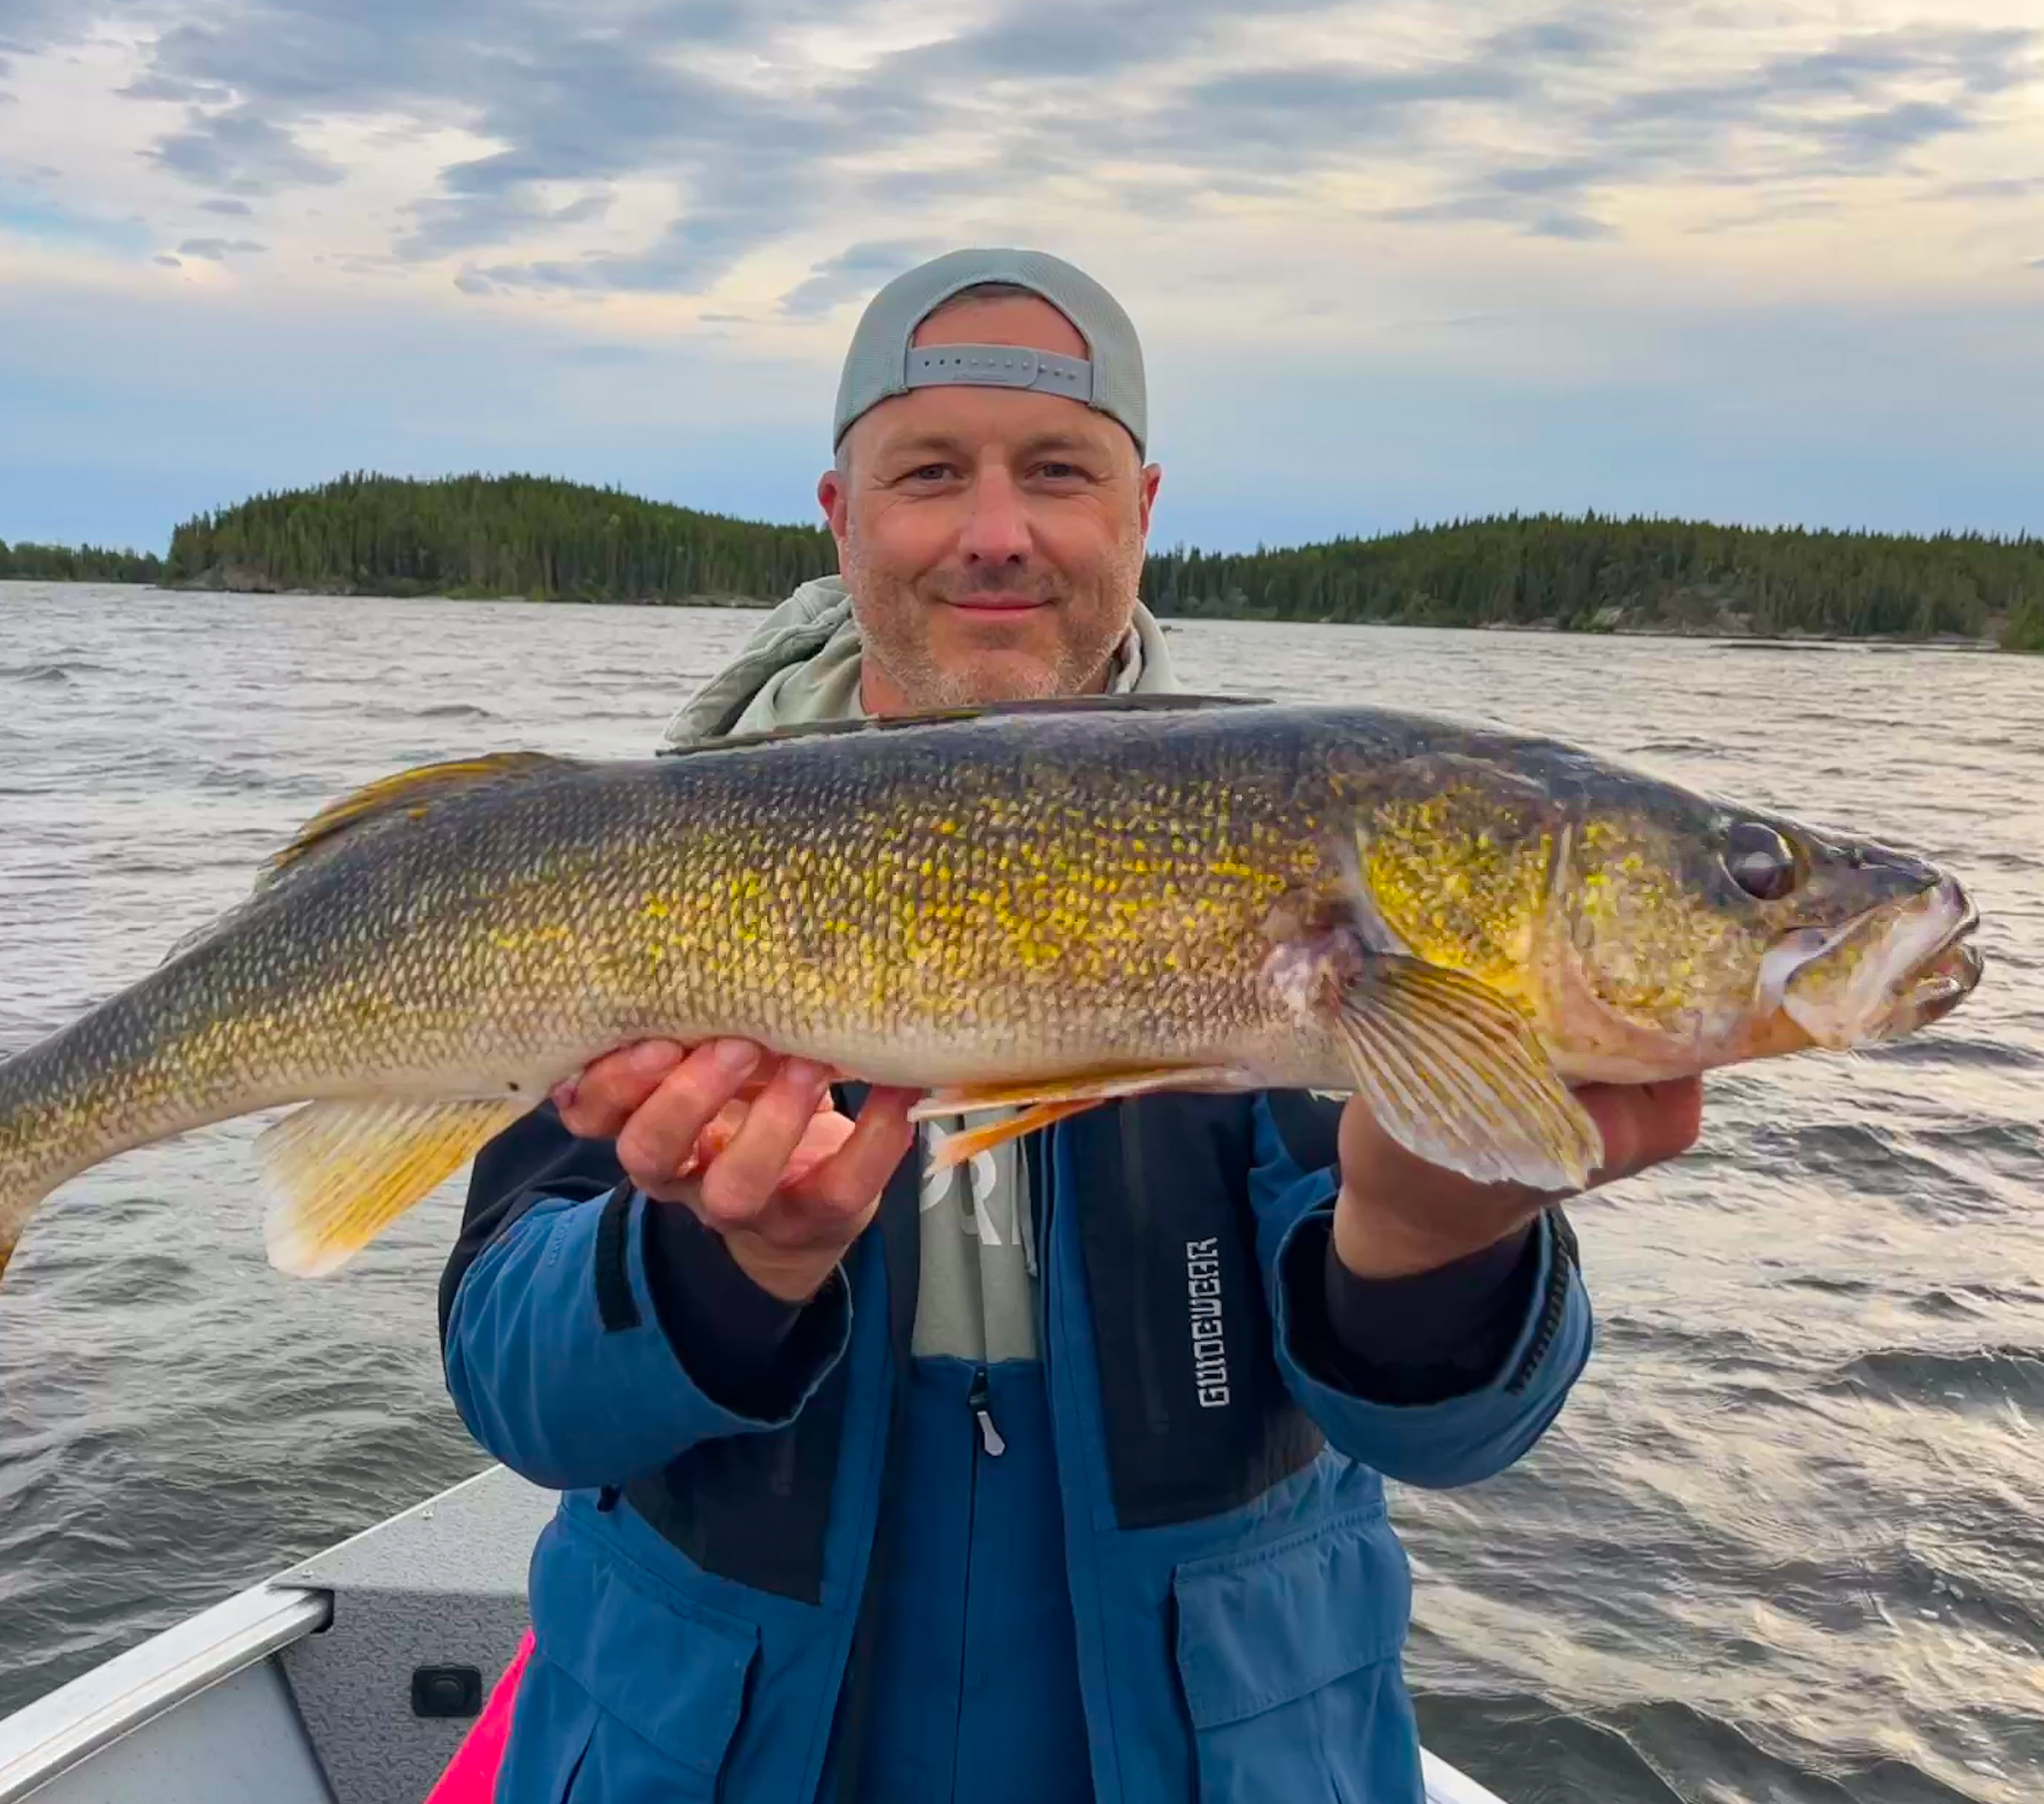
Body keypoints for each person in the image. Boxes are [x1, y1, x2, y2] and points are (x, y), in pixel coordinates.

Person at [437, 249, 1701, 1802]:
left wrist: (1438, 1236)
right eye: (928, 474)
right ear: (841, 517)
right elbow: (512, 1384)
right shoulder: (641, 856)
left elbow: (1452, 1434)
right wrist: (717, 1268)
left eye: (1055, 472)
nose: (994, 534)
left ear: (1143, 510)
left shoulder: (1320, 851)